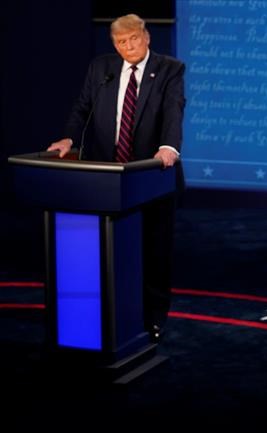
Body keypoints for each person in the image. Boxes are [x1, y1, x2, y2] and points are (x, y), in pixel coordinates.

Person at [47, 13, 185, 343]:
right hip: (104, 179)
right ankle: (109, 315)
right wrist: (69, 138)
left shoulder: (169, 69)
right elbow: (82, 107)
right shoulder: (102, 68)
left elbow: (173, 111)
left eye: (133, 39)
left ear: (146, 37)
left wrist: (168, 147)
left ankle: (153, 317)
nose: (128, 47)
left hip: (151, 177)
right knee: (106, 251)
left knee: (154, 251)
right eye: (121, 42)